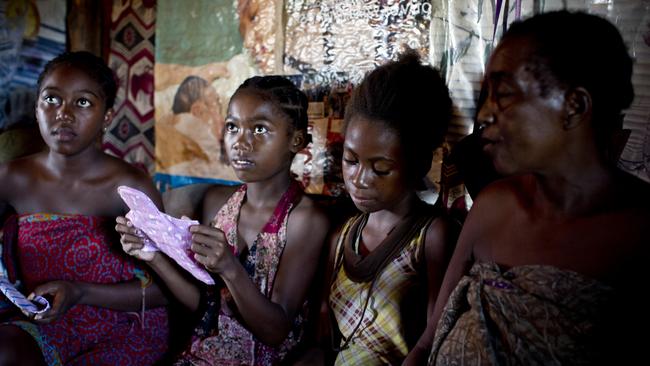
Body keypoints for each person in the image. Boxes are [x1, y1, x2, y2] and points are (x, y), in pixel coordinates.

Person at [427, 11, 650, 365]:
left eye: (504, 96)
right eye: (486, 95)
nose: (484, 115)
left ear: (574, 106)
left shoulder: (639, 234)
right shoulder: (493, 206)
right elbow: (428, 341)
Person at [116, 75, 330, 365]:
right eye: (232, 127)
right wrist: (151, 255)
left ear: (296, 140)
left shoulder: (304, 220)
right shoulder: (218, 203)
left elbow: (275, 331)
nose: (241, 142)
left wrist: (230, 267)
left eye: (259, 129)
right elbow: (205, 307)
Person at [0, 51, 169, 365]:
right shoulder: (11, 178)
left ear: (106, 117)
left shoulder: (131, 188)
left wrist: (79, 292)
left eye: (83, 102)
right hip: (46, 320)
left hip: (124, 323)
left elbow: (165, 289)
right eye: (52, 100)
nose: (63, 114)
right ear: (37, 108)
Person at [297, 50, 458, 366]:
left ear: (420, 164)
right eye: (351, 160)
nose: (359, 179)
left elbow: (436, 343)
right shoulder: (341, 239)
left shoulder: (431, 238)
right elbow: (322, 343)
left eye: (381, 169)